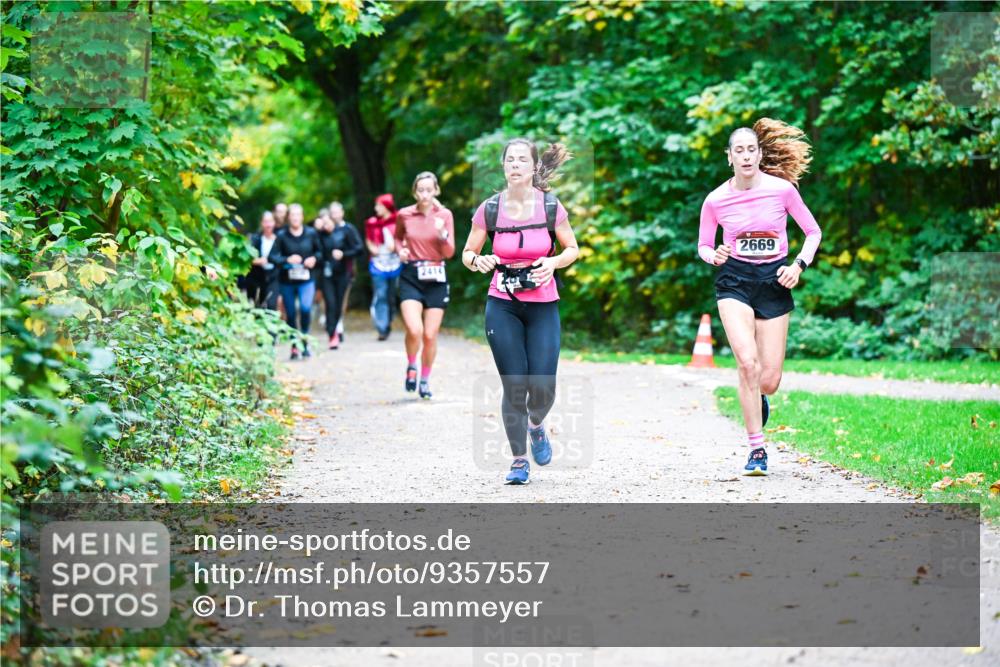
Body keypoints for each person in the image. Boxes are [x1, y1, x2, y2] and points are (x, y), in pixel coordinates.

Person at [698, 117, 822, 476]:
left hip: (774, 280)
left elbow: (812, 232)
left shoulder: (781, 190)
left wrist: (798, 265)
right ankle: (756, 449)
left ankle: (759, 396)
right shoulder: (716, 200)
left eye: (752, 149)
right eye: (740, 150)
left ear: (760, 153)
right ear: (730, 157)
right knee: (747, 364)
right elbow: (705, 245)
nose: (747, 156)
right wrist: (713, 255)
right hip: (734, 280)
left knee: (768, 379)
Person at [461, 139, 579, 485]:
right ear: (503, 167)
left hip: (543, 303)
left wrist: (553, 262)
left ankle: (536, 424)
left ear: (532, 167)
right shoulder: (490, 209)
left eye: (521, 160)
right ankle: (517, 461)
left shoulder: (551, 207)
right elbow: (467, 253)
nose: (515, 165)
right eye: (509, 160)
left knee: (542, 388)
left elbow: (572, 247)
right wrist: (478, 260)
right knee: (514, 386)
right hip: (502, 303)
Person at [395, 172, 456, 399]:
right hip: (411, 273)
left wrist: (442, 234)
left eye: (429, 190)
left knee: (430, 335)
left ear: (436, 191)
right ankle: (412, 365)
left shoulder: (444, 215)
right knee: (415, 329)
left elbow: (449, 252)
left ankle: (425, 379)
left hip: (436, 276)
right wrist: (400, 250)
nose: (425, 194)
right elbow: (397, 238)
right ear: (414, 192)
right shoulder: (405, 214)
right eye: (421, 190)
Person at [272, 203, 322, 360]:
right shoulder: (282, 235)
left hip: (306, 279)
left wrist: (313, 259)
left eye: (298, 215)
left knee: (306, 309)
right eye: (292, 215)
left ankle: (305, 340)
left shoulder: (311, 233)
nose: (295, 218)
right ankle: (295, 345)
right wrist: (287, 259)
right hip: (287, 281)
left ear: (302, 217)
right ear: (288, 217)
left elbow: (320, 253)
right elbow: (273, 257)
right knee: (291, 314)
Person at [319, 202, 364, 349]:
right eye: (332, 212)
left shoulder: (348, 229)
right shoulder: (323, 231)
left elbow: (359, 249)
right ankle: (332, 334)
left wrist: (343, 254)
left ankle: (335, 330)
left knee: (338, 305)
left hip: (343, 273)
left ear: (342, 213)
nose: (335, 215)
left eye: (337, 212)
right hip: (326, 274)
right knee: (330, 304)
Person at [365, 194, 402, 341]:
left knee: (391, 296)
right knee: (380, 294)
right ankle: (382, 327)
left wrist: (396, 245)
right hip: (378, 263)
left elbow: (403, 239)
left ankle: (388, 321)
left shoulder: (398, 220)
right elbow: (368, 239)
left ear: (386, 206)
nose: (376, 209)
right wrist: (372, 248)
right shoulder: (372, 222)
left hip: (395, 263)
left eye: (378, 205)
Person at [246, 211, 280, 310]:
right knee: (257, 307)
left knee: (271, 306)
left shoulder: (279, 239)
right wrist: (257, 261)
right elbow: (247, 259)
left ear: (274, 223)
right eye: (265, 222)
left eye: (270, 221)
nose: (268, 224)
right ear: (261, 223)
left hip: (274, 277)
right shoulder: (254, 239)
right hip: (257, 277)